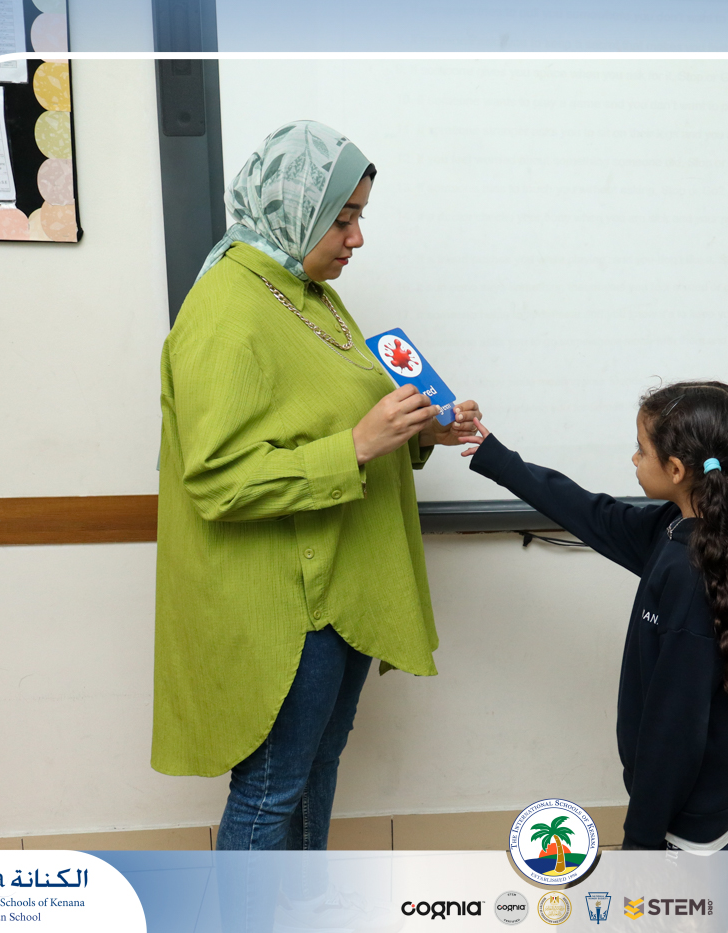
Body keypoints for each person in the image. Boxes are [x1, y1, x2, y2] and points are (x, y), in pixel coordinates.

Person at [152, 120, 481, 851]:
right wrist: (358, 445)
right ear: (294, 210)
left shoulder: (308, 290)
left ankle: (301, 903)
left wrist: (420, 430)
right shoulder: (227, 308)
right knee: (271, 789)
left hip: (340, 589)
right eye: (344, 218)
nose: (357, 238)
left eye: (359, 216)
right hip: (285, 600)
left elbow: (332, 416)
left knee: (313, 768)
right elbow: (218, 479)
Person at [466, 381, 728, 851]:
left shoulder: (690, 576)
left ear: (676, 469)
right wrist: (498, 458)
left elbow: (673, 732)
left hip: (684, 812)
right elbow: (596, 515)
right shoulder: (696, 530)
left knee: (691, 894)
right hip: (709, 792)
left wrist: (641, 841)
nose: (634, 458)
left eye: (642, 450)